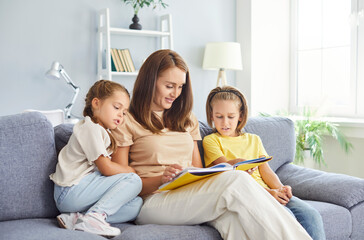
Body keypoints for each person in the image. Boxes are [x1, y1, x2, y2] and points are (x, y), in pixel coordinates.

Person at [112, 49, 312, 240]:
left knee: (234, 220)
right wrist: (161, 178)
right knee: (237, 180)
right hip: (153, 201)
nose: (176, 93)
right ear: (150, 81)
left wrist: (223, 169)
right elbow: (120, 183)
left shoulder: (186, 119)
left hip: (189, 194)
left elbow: (198, 170)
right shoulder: (126, 120)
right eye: (169, 86)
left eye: (180, 86)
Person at [203, 85, 326, 240]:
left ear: (240, 116)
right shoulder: (211, 141)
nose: (224, 122)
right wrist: (268, 194)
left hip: (270, 192)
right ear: (212, 116)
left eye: (231, 116)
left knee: (311, 215)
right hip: (249, 196)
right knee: (286, 217)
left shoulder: (253, 139)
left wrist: (281, 188)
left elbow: (266, 171)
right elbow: (225, 168)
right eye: (219, 116)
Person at [50, 80, 143, 238]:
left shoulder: (102, 131)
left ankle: (78, 219)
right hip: (69, 192)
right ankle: (94, 216)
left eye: (125, 112)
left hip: (79, 194)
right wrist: (131, 171)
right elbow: (106, 169)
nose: (121, 114)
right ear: (96, 103)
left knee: (135, 205)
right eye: (116, 107)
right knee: (134, 180)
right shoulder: (90, 128)